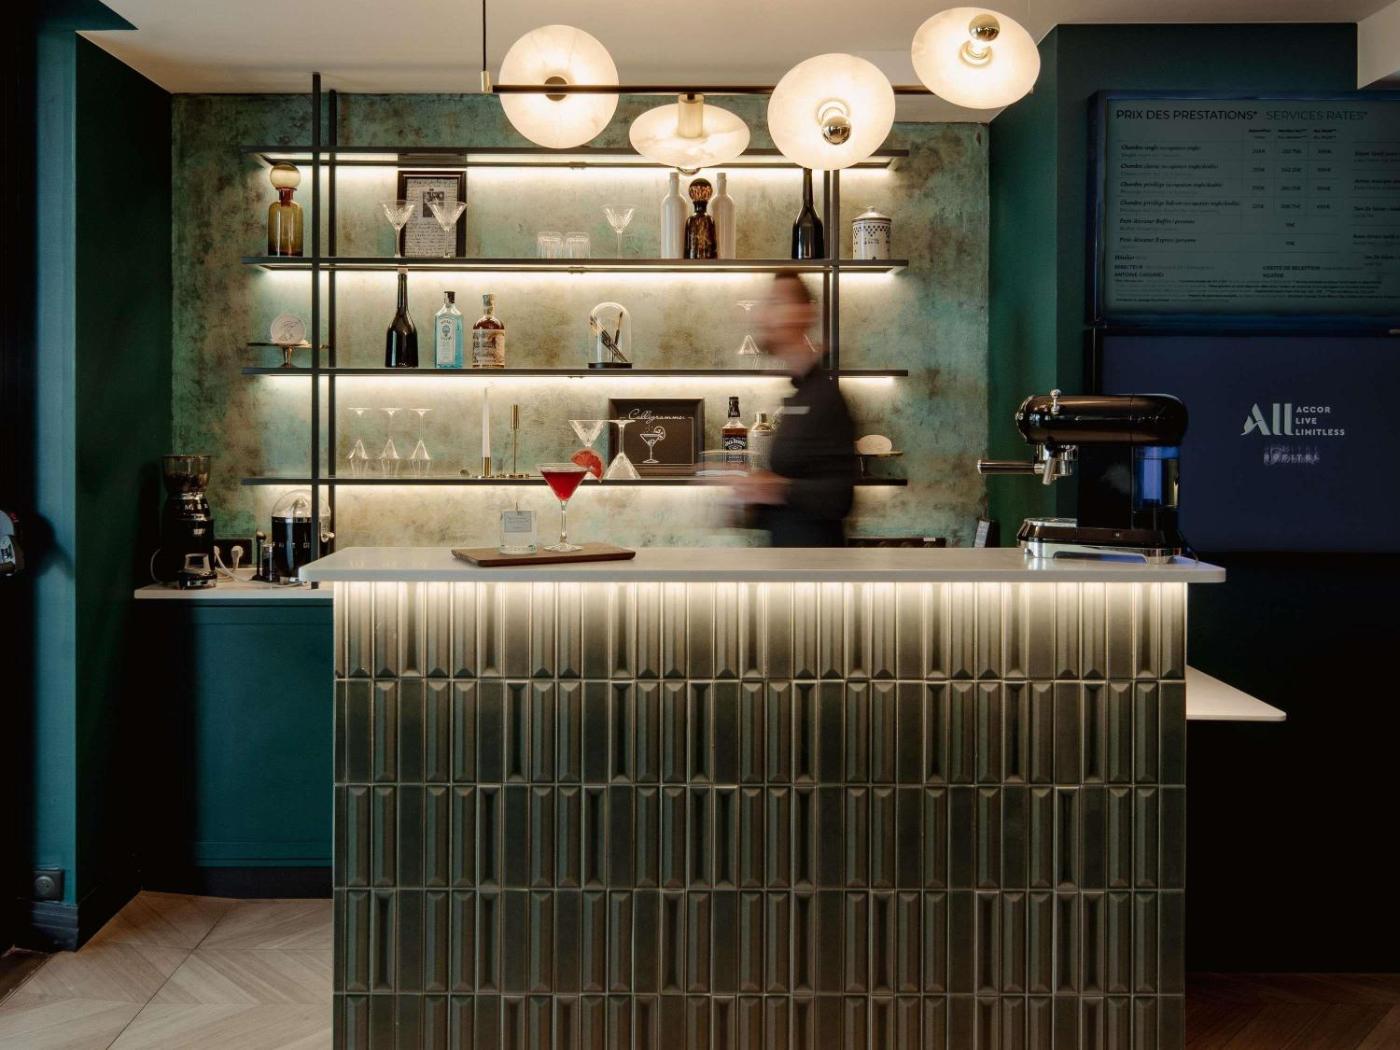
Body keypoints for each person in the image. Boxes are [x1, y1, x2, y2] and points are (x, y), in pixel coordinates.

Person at [730, 272, 857, 546]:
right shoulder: (800, 393)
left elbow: (840, 498)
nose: (763, 315)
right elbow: (794, 498)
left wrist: (773, 488)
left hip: (816, 566)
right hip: (791, 561)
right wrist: (749, 498)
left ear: (804, 314)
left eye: (775, 303)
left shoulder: (825, 396)